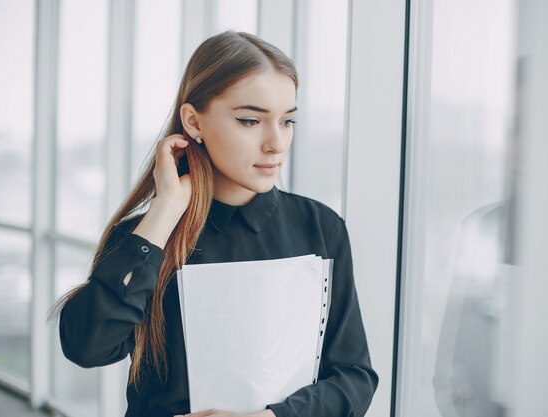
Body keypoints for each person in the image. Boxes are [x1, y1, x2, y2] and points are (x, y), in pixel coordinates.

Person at [54, 31, 378, 417]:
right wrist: (164, 210)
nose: (276, 143)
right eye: (249, 120)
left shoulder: (320, 227)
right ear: (193, 122)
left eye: (288, 121)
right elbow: (88, 347)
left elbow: (354, 375)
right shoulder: (147, 235)